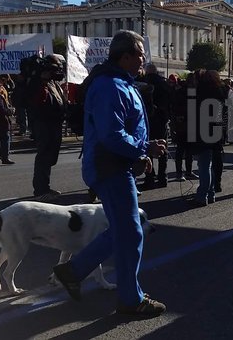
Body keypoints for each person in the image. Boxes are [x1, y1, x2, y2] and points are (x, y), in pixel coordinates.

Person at [53, 30, 167, 317]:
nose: (144, 59)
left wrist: (139, 152)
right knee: (131, 233)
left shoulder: (118, 83)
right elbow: (111, 135)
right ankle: (130, 299)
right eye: (141, 54)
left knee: (123, 230)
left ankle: (73, 271)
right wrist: (143, 149)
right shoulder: (110, 86)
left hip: (114, 165)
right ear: (126, 55)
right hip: (109, 167)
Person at [28, 54, 67, 201]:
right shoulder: (38, 83)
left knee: (50, 156)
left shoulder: (53, 83)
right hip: (44, 123)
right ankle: (40, 189)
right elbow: (38, 102)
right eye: (55, 69)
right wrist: (42, 80)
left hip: (54, 122)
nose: (58, 72)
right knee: (44, 155)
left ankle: (45, 186)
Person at [190, 70, 225, 207]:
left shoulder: (200, 91)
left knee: (204, 165)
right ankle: (211, 194)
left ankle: (202, 195)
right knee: (210, 164)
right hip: (215, 130)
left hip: (202, 130)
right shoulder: (220, 91)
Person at [139, 64, 172, 189]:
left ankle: (150, 177)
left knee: (148, 148)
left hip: (147, 120)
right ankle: (163, 177)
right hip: (162, 119)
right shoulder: (164, 84)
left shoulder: (143, 83)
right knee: (163, 148)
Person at [172, 73, 196, 181]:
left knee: (184, 149)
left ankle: (182, 172)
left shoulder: (181, 91)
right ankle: (184, 172)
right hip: (185, 123)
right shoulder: (185, 92)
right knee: (185, 150)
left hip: (184, 122)